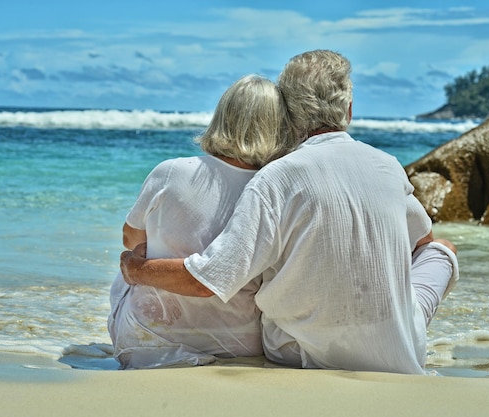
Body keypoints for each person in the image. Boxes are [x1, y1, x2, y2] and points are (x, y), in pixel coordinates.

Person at [120, 50, 459, 374]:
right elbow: (423, 241)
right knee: (441, 250)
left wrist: (138, 271)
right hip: (401, 347)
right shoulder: (388, 165)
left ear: (288, 115)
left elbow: (211, 279)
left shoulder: (277, 177)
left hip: (302, 352)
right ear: (350, 111)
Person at [108, 74, 297, 369]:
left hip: (154, 336)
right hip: (240, 342)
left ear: (222, 117)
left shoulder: (172, 171)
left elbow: (130, 239)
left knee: (130, 262)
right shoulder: (276, 189)